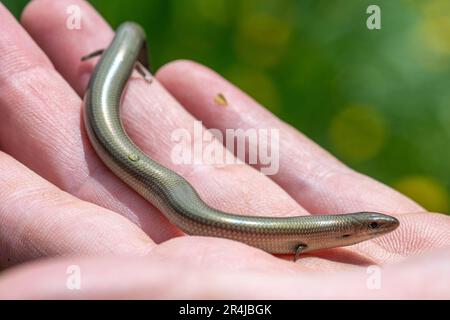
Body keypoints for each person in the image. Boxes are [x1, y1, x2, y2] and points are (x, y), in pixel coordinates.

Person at [0, 0, 448, 299]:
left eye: (373, 226)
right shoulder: (334, 234)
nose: (379, 228)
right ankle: (127, 40)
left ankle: (126, 42)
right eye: (372, 224)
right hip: (144, 162)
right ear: (350, 230)